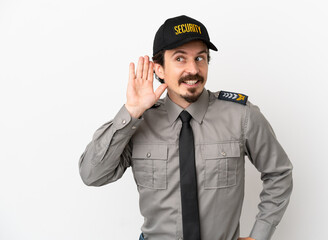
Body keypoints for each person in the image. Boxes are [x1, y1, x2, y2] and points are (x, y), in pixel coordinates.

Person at [79, 15, 293, 240]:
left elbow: (279, 173)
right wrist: (131, 113)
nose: (193, 69)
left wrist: (260, 234)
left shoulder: (241, 115)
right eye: (180, 58)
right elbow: (91, 175)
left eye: (200, 58)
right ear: (159, 69)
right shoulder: (138, 123)